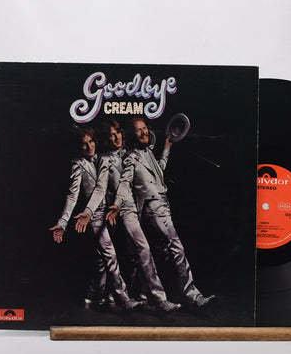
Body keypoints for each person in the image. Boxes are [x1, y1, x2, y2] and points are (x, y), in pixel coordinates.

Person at [74, 120, 181, 313]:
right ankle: (159, 299)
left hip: (140, 210)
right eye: (111, 134)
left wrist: (166, 149)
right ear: (106, 139)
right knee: (140, 250)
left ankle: (122, 295)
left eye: (118, 132)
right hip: (122, 211)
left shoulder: (132, 154)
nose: (116, 137)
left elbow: (156, 173)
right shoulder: (105, 159)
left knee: (132, 256)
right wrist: (89, 212)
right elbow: (100, 188)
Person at [109, 116, 215, 309]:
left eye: (144, 129)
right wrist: (117, 204)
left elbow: (159, 171)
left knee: (161, 252)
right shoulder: (132, 157)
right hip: (153, 207)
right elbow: (124, 182)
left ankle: (144, 294)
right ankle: (192, 295)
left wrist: (166, 148)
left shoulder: (148, 153)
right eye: (138, 130)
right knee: (176, 247)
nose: (143, 132)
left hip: (163, 204)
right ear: (133, 135)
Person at [49, 125, 140, 310]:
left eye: (91, 142)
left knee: (101, 260)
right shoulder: (78, 164)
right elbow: (72, 195)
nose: (89, 146)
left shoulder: (104, 158)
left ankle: (92, 296)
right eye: (84, 144)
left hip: (110, 214)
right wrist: (63, 222)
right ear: (79, 147)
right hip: (93, 216)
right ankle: (124, 298)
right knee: (110, 255)